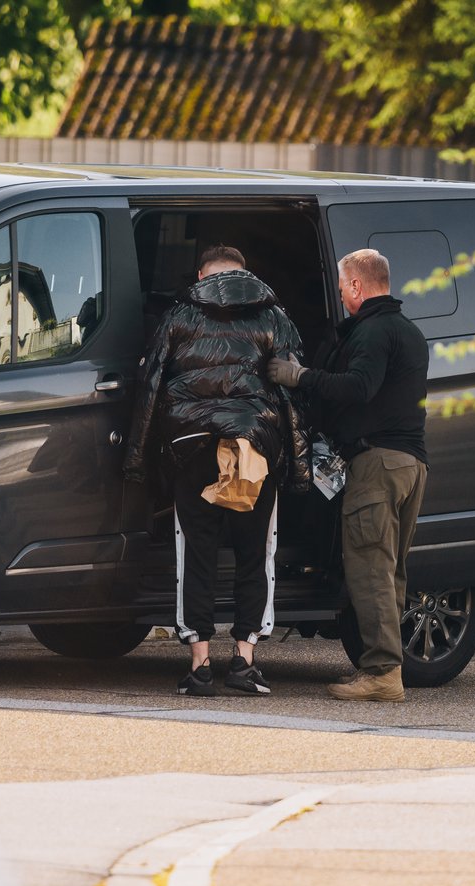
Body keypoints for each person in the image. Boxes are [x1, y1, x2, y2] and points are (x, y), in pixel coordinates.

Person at [124, 245, 305, 697]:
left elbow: (150, 385)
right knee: (255, 555)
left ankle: (200, 665)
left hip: (194, 449)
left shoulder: (179, 315)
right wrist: (299, 464)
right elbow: (293, 393)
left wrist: (137, 461)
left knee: (196, 555)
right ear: (245, 274)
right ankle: (244, 660)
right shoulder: (274, 317)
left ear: (203, 273)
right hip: (254, 448)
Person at [267, 249, 429, 703]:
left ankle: (382, 673)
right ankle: (386, 666)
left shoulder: (374, 332)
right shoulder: (410, 332)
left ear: (357, 285)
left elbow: (359, 387)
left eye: (342, 287)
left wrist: (300, 376)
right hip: (412, 465)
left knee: (370, 571)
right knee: (391, 571)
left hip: (377, 465)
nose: (339, 295)